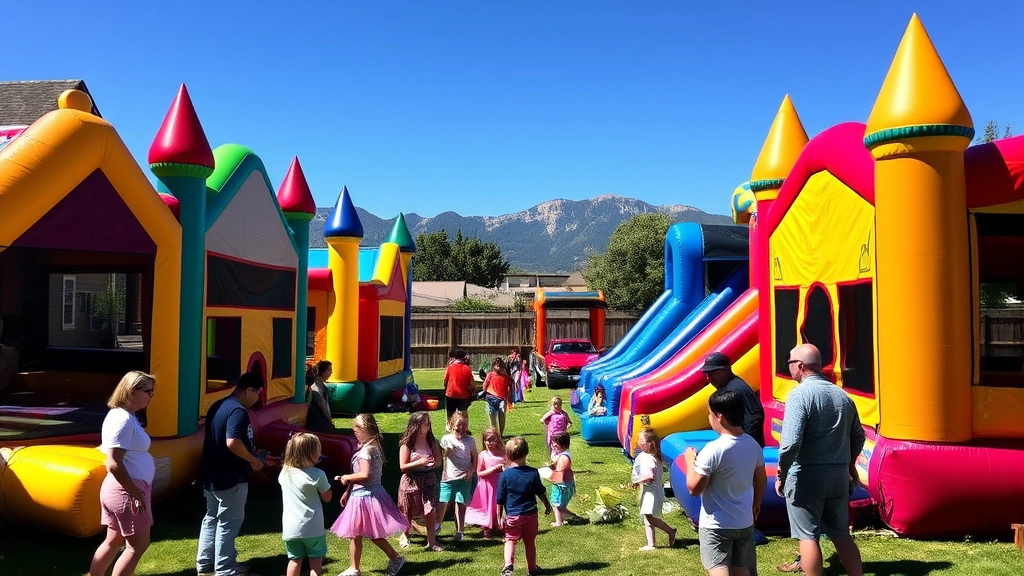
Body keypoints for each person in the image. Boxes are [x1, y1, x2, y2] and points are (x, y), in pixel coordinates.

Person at [776, 344, 865, 576]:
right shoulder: (843, 396)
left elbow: (791, 443)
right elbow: (859, 435)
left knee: (807, 536)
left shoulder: (799, 395)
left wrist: (781, 473)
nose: (789, 369)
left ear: (800, 366)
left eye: (789, 364)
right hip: (837, 476)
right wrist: (849, 464)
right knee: (840, 534)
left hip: (807, 476)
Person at [685, 389, 767, 576]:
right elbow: (761, 479)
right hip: (743, 522)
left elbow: (694, 488)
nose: (709, 417)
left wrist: (690, 460)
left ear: (719, 416)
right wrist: (756, 505)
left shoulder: (714, 449)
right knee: (741, 569)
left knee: (718, 569)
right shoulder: (753, 444)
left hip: (717, 525)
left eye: (709, 413)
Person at [196, 371, 268, 576]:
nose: (258, 399)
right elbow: (232, 441)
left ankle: (205, 563)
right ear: (249, 390)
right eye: (258, 394)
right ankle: (225, 567)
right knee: (229, 521)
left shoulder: (218, 405)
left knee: (211, 517)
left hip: (210, 474)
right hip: (230, 476)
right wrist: (254, 461)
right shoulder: (238, 411)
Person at [89, 371, 157, 576]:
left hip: (121, 490)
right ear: (131, 391)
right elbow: (114, 463)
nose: (151, 396)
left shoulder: (123, 416)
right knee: (136, 546)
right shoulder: (123, 420)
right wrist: (136, 494)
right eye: (148, 391)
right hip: (127, 491)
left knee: (114, 540)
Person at [331, 413, 408, 576]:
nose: (354, 429)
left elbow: (364, 474)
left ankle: (395, 558)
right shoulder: (371, 446)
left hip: (366, 497)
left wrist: (346, 478)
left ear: (366, 429)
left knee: (371, 533)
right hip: (361, 495)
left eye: (357, 427)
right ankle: (354, 568)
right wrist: (348, 491)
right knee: (355, 533)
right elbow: (360, 473)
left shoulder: (368, 450)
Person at [496, 437, 552, 576]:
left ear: (508, 456)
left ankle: (508, 565)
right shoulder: (533, 472)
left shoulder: (505, 474)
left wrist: (498, 515)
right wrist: (547, 505)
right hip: (530, 515)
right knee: (529, 542)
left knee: (510, 539)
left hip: (513, 516)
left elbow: (500, 497)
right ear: (527, 453)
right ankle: (532, 569)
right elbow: (540, 492)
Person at [279, 433, 332, 576]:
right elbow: (327, 497)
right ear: (311, 453)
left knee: (295, 560)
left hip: (291, 529)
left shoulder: (284, 473)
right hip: (313, 527)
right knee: (315, 561)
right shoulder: (318, 475)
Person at [396, 411, 442, 551]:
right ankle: (405, 534)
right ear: (415, 425)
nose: (427, 426)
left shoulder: (431, 440)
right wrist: (419, 462)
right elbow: (403, 467)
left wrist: (431, 464)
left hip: (428, 478)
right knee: (407, 510)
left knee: (430, 510)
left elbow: (439, 461)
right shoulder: (407, 442)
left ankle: (431, 542)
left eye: (428, 424)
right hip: (411, 479)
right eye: (424, 423)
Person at [701, 351, 765, 448]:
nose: (708, 378)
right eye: (706, 374)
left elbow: (756, 415)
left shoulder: (735, 389)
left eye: (711, 373)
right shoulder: (728, 386)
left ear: (725, 370)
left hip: (746, 447)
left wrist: (742, 442)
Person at [631, 427, 677, 551]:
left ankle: (670, 531)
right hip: (650, 490)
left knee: (649, 517)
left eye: (641, 441)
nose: (639, 443)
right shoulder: (650, 456)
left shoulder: (649, 458)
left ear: (649, 443)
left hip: (651, 492)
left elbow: (650, 476)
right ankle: (651, 543)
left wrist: (637, 481)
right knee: (647, 517)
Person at [435, 410, 478, 542]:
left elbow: (475, 458)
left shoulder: (470, 441)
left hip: (464, 478)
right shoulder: (446, 439)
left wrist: (471, 471)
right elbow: (443, 455)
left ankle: (460, 531)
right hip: (448, 478)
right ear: (451, 425)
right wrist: (447, 451)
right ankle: (437, 526)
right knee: (443, 501)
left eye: (464, 425)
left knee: (461, 504)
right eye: (458, 425)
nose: (461, 428)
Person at [466, 427, 506, 538]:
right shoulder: (483, 454)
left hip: (500, 483)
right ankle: (488, 528)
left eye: (494, 440)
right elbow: (479, 473)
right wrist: (492, 470)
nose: (492, 443)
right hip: (488, 485)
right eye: (489, 440)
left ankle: (500, 525)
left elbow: (509, 465)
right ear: (484, 441)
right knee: (489, 507)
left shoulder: (503, 453)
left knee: (500, 505)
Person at [546, 431, 582, 527]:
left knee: (556, 504)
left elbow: (559, 475)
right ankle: (572, 516)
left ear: (563, 443)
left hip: (562, 486)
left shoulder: (563, 458)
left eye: (555, 443)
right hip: (566, 484)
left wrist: (547, 474)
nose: (553, 445)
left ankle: (559, 522)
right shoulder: (564, 454)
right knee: (559, 505)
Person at [482, 356, 513, 436]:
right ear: (493, 366)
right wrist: (485, 392)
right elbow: (485, 385)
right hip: (491, 398)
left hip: (502, 399)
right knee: (492, 416)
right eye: (496, 365)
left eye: (500, 366)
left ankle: (500, 434)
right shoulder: (490, 375)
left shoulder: (505, 376)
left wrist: (509, 398)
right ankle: (494, 433)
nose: (498, 367)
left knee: (502, 414)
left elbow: (511, 384)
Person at [443, 349, 475, 424]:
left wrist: (445, 388)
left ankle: (450, 426)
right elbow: (472, 383)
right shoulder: (467, 368)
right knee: (463, 412)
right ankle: (464, 426)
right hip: (463, 395)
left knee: (450, 412)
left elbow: (445, 380)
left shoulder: (450, 367)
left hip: (451, 393)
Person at [306, 360, 335, 434]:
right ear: (323, 372)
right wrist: (328, 418)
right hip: (319, 422)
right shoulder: (317, 387)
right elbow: (321, 404)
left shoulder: (321, 385)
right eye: (329, 370)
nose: (331, 372)